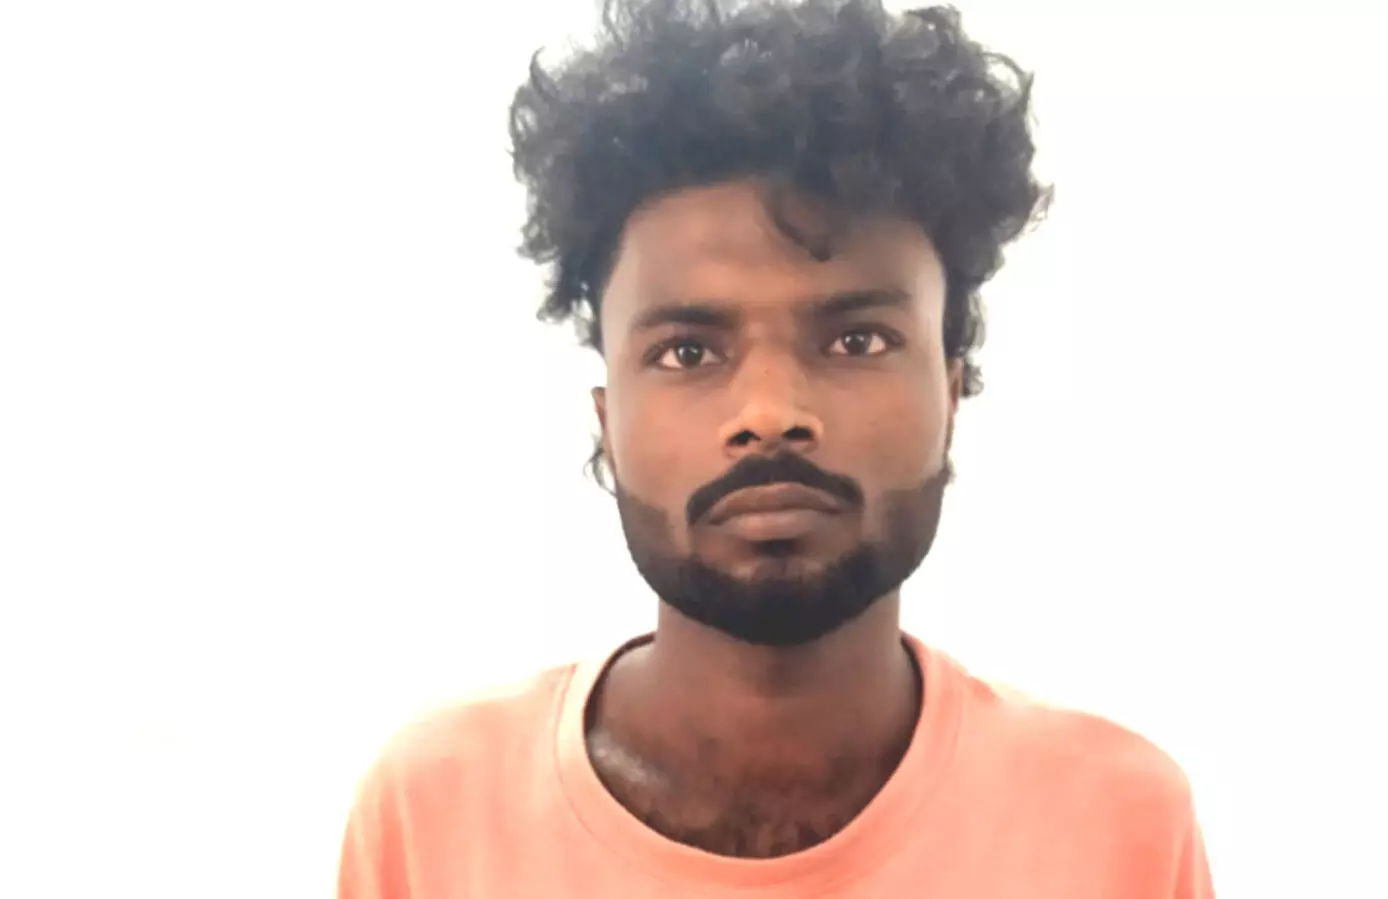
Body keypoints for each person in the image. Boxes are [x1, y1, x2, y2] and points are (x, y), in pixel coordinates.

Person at [338, 1, 1215, 896]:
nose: (769, 412)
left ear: (950, 395)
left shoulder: (1114, 821)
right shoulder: (435, 812)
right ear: (608, 420)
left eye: (857, 339)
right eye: (688, 351)